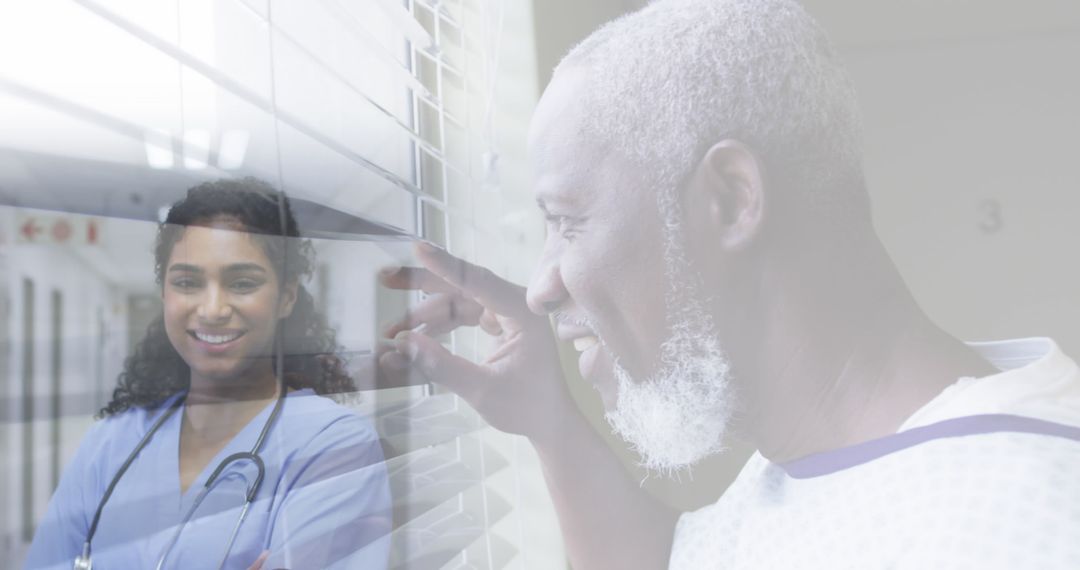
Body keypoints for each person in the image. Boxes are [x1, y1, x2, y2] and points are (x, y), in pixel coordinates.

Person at [378, 0, 1080, 568]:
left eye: (568, 222)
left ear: (731, 199)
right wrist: (549, 418)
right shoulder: (841, 457)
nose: (540, 288)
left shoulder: (1018, 522)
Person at [25, 178, 391, 570]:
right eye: (187, 282)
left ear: (286, 296)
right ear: (164, 293)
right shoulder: (111, 443)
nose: (212, 308)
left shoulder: (333, 446)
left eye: (242, 283)